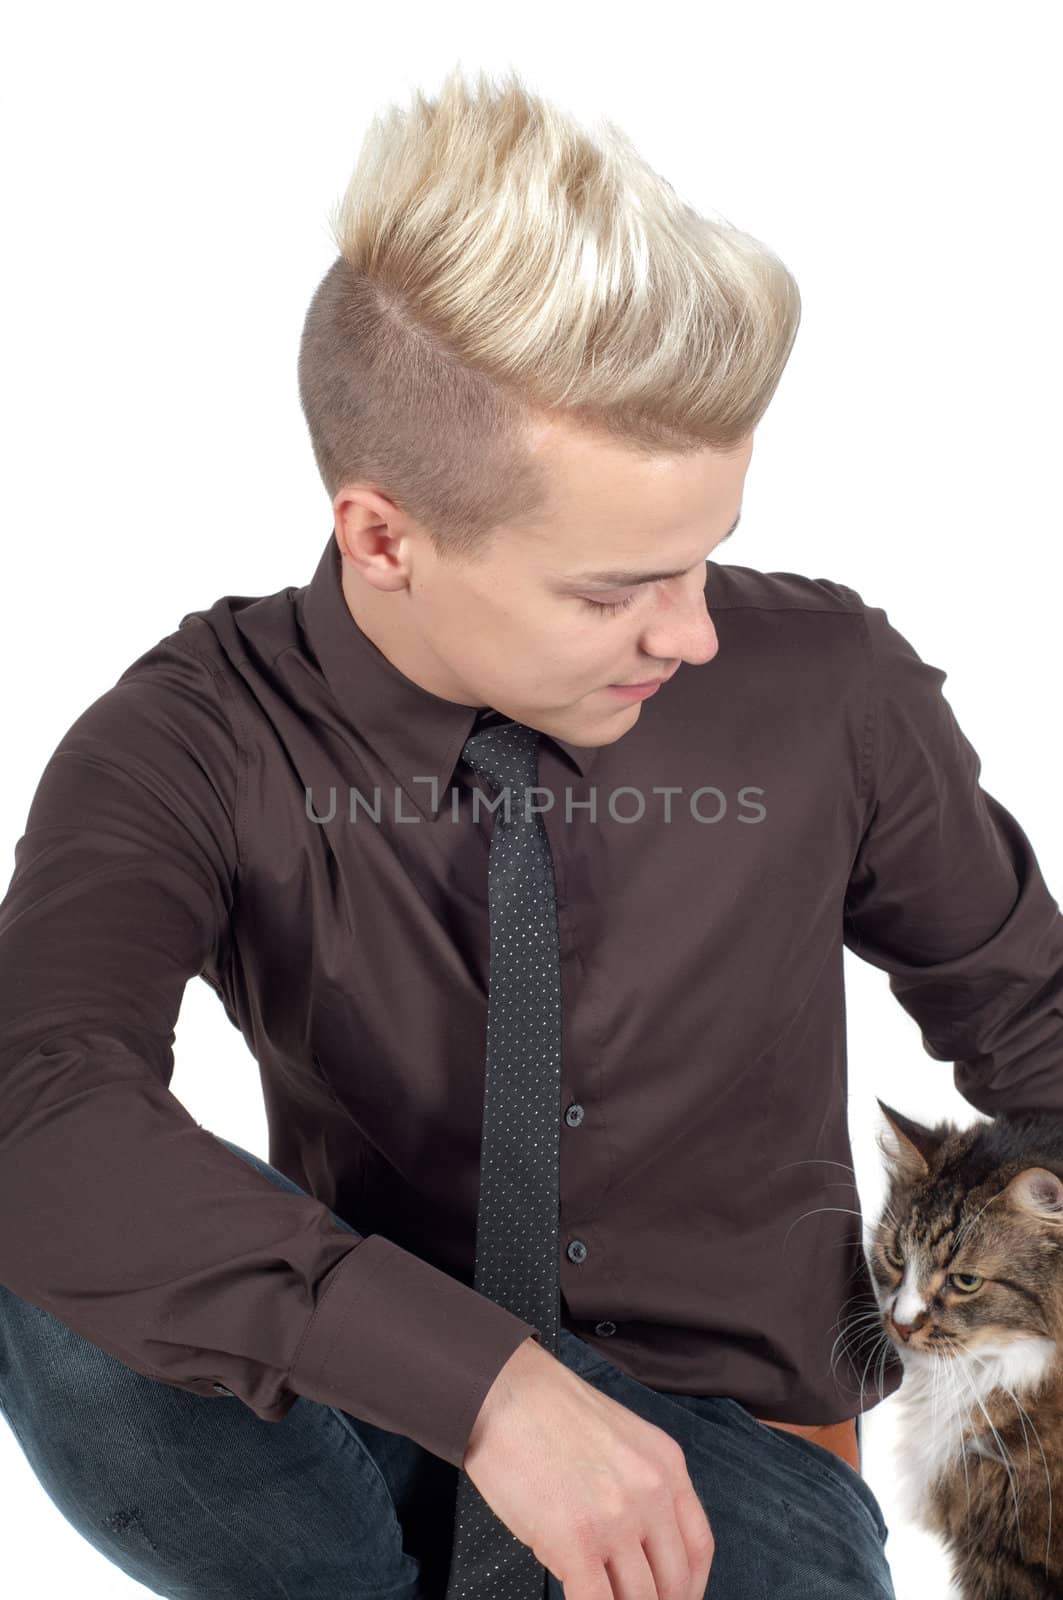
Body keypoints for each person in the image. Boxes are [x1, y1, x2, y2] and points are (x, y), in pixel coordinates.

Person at [2, 64, 1060, 1600]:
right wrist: (486, 1385)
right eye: (612, 587)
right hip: (332, 1421)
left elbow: (1033, 1027)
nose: (693, 635)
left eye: (706, 561)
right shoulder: (190, 734)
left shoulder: (827, 689)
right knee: (46, 1232)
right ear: (384, 538)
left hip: (733, 1461)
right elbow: (37, 1100)